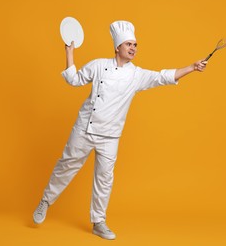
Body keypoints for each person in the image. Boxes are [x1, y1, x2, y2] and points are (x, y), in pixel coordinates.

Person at [33, 20, 207, 240]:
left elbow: (163, 76)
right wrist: (70, 53)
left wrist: (191, 67)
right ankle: (45, 202)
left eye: (135, 44)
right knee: (66, 166)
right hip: (85, 128)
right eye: (129, 44)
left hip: (110, 135)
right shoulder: (98, 65)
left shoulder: (137, 75)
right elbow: (74, 80)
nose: (133, 48)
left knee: (104, 179)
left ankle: (98, 222)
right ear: (117, 47)